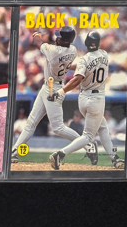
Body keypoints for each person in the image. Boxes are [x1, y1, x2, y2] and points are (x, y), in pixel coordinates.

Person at [11, 25, 96, 164]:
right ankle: (14, 151)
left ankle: (88, 145)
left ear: (64, 40)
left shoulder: (53, 51)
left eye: (59, 37)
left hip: (53, 89)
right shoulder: (72, 49)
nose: (57, 38)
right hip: (49, 86)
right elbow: (63, 58)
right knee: (31, 122)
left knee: (58, 128)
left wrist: (36, 32)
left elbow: (37, 42)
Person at [49, 31, 124, 169]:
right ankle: (60, 154)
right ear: (98, 43)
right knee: (88, 136)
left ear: (86, 43)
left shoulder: (84, 59)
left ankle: (115, 159)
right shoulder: (104, 54)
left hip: (83, 99)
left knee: (103, 127)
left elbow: (78, 77)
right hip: (96, 99)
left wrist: (60, 90)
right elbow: (83, 68)